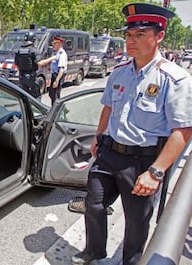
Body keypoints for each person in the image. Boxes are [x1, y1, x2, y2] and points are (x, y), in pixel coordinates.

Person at [71, 3, 192, 265]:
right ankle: (94, 250)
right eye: (128, 35)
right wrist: (98, 136)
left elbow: (183, 130)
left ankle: (131, 262)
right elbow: (108, 107)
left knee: (136, 222)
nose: (130, 41)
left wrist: (156, 171)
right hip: (109, 153)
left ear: (159, 36)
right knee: (94, 204)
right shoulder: (120, 72)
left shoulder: (174, 79)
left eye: (139, 35)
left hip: (142, 162)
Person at [39, 36, 67, 105]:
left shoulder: (62, 54)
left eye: (54, 43)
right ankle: (56, 109)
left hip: (58, 76)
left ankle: (58, 111)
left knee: (55, 96)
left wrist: (57, 80)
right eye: (53, 43)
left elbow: (62, 69)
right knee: (52, 94)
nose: (53, 45)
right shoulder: (56, 52)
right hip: (54, 75)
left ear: (59, 44)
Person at [14, 31, 42, 99]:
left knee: (24, 97)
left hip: (22, 77)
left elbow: (16, 64)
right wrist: (51, 59)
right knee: (36, 96)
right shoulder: (34, 50)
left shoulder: (19, 51)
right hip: (32, 78)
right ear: (33, 40)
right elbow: (40, 63)